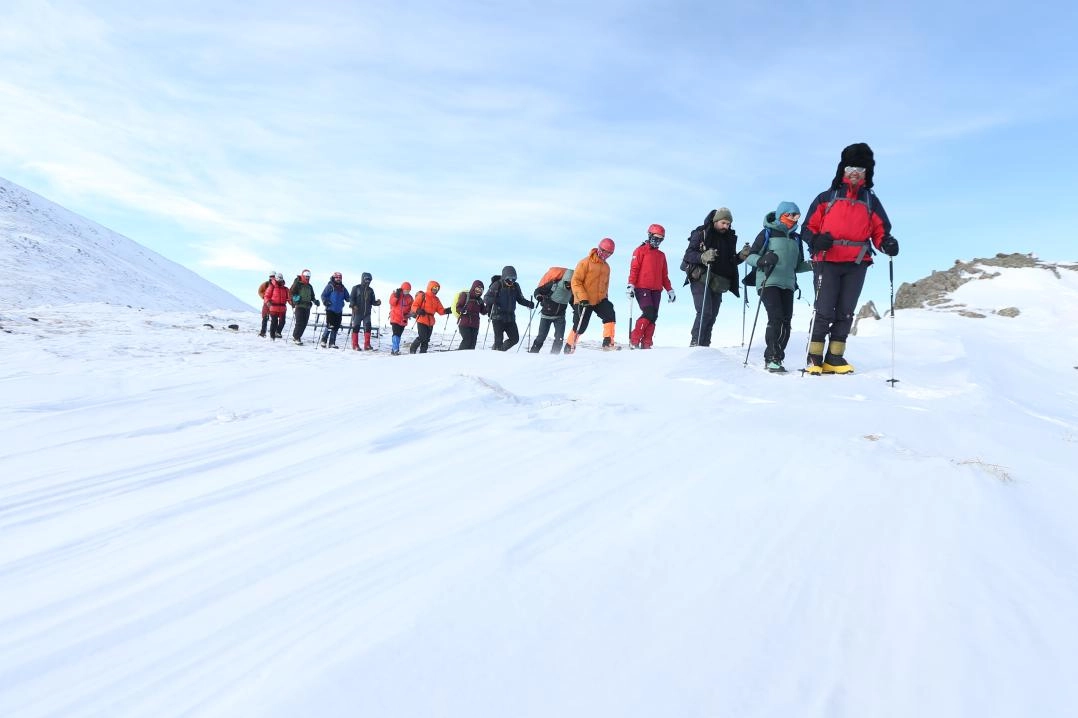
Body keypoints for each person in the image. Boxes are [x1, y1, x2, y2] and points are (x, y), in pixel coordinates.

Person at [801, 142, 897, 374]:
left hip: (856, 262)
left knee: (845, 311)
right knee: (824, 310)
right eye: (851, 167)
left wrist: (887, 243)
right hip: (827, 259)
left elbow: (880, 231)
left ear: (867, 173)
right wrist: (815, 240)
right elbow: (807, 227)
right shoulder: (826, 197)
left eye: (860, 169)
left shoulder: (870, 201)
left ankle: (834, 357)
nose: (855, 173)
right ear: (843, 170)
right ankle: (814, 357)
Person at [744, 202, 812, 372]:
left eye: (797, 215)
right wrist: (761, 260)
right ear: (782, 214)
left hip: (788, 284)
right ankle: (771, 357)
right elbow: (750, 256)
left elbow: (797, 266)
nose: (794, 218)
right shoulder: (767, 232)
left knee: (786, 321)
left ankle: (778, 357)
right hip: (768, 281)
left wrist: (813, 264)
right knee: (776, 317)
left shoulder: (796, 238)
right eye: (791, 214)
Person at [681, 208, 750, 347]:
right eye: (724, 222)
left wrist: (741, 256)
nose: (726, 226)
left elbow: (730, 261)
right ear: (716, 220)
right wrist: (702, 256)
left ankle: (705, 345)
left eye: (728, 224)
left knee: (712, 315)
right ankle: (696, 342)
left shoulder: (729, 238)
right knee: (705, 311)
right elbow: (688, 254)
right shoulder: (701, 233)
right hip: (700, 277)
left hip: (718, 281)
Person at [565, 238, 618, 353]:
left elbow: (605, 285)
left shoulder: (606, 267)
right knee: (581, 325)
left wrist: (605, 298)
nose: (606, 255)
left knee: (609, 313)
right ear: (599, 248)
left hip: (599, 299)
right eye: (604, 251)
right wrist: (582, 298)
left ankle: (608, 342)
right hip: (583, 299)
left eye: (609, 253)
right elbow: (576, 281)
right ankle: (569, 346)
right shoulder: (585, 262)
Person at [627, 223, 675, 349]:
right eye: (655, 237)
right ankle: (634, 339)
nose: (657, 240)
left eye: (660, 238)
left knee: (653, 316)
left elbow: (664, 276)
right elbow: (634, 269)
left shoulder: (661, 255)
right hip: (642, 288)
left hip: (656, 290)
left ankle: (646, 343)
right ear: (649, 235)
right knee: (648, 312)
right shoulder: (640, 251)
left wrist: (670, 290)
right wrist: (630, 285)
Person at [484, 265, 535, 351]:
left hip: (510, 318)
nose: (511, 281)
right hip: (497, 317)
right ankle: (496, 354)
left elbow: (520, 299)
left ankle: (501, 351)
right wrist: (494, 300)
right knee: (498, 341)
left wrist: (528, 303)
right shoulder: (497, 285)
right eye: (509, 279)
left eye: (513, 279)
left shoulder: (516, 286)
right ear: (504, 277)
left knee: (515, 339)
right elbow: (486, 298)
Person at [529, 267, 574, 354]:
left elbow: (573, 302)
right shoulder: (554, 285)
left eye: (571, 283)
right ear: (564, 280)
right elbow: (538, 291)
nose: (569, 285)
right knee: (541, 337)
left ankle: (553, 357)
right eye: (567, 283)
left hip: (560, 317)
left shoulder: (572, 291)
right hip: (546, 316)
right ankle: (533, 354)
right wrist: (538, 296)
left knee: (559, 338)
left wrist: (577, 309)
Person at [409, 280, 451, 354]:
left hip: (431, 322)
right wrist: (418, 310)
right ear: (430, 287)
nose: (436, 289)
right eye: (434, 287)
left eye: (437, 288)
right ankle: (412, 349)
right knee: (422, 337)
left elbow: (440, 311)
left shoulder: (436, 299)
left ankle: (423, 353)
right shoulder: (422, 295)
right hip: (422, 319)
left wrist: (448, 310)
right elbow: (414, 306)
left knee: (427, 339)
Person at [348, 272, 382, 351]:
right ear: (363, 279)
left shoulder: (371, 290)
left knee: (368, 328)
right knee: (356, 327)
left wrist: (377, 302)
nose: (368, 281)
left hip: (367, 313)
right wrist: (353, 305)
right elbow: (351, 298)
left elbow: (373, 302)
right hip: (357, 312)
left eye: (369, 280)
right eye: (366, 279)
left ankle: (367, 345)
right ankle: (355, 345)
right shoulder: (356, 288)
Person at [288, 268, 319, 345]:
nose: (307, 278)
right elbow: (292, 293)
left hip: (307, 307)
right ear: (303, 275)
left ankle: (298, 336)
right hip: (299, 306)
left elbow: (312, 296)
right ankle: (296, 337)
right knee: (299, 322)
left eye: (309, 276)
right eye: (306, 276)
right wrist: (294, 300)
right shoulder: (298, 284)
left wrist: (315, 301)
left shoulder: (309, 286)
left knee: (304, 323)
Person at [454, 280, 487, 350]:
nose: (479, 291)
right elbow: (458, 307)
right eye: (477, 288)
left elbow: (483, 311)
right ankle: (458, 356)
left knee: (473, 343)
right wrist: (462, 310)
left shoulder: (480, 300)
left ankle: (469, 359)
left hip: (475, 325)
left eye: (481, 290)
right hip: (464, 324)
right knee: (467, 340)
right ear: (473, 287)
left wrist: (489, 306)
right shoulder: (465, 295)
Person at [320, 271, 349, 348]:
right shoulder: (330, 286)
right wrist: (325, 301)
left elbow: (347, 297)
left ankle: (332, 342)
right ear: (334, 278)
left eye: (340, 278)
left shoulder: (343, 288)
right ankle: (324, 340)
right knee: (330, 325)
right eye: (337, 277)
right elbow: (323, 295)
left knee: (336, 326)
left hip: (339, 310)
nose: (338, 279)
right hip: (330, 308)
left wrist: (353, 300)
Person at [388, 281, 413, 355]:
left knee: (398, 334)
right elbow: (392, 302)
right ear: (402, 289)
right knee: (395, 334)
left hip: (403, 319)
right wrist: (396, 296)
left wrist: (410, 314)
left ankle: (394, 349)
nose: (407, 292)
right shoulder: (395, 294)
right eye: (406, 290)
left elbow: (412, 307)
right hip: (395, 318)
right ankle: (396, 349)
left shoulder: (410, 298)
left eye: (408, 290)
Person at [264, 272, 290, 340]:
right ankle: (272, 336)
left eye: (281, 278)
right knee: (274, 322)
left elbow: (289, 298)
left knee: (283, 322)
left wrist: (292, 303)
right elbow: (266, 296)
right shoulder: (271, 287)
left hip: (283, 308)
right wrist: (267, 302)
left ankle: (278, 332)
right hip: (273, 307)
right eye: (278, 278)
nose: (279, 280)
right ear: (276, 278)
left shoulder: (285, 289)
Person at [257, 272, 275, 337]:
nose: (272, 277)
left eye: (273, 276)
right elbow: (260, 291)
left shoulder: (277, 284)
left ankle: (273, 333)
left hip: (274, 304)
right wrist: (264, 297)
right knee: (265, 318)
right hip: (266, 303)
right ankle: (263, 332)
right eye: (271, 276)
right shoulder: (266, 284)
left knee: (274, 319)